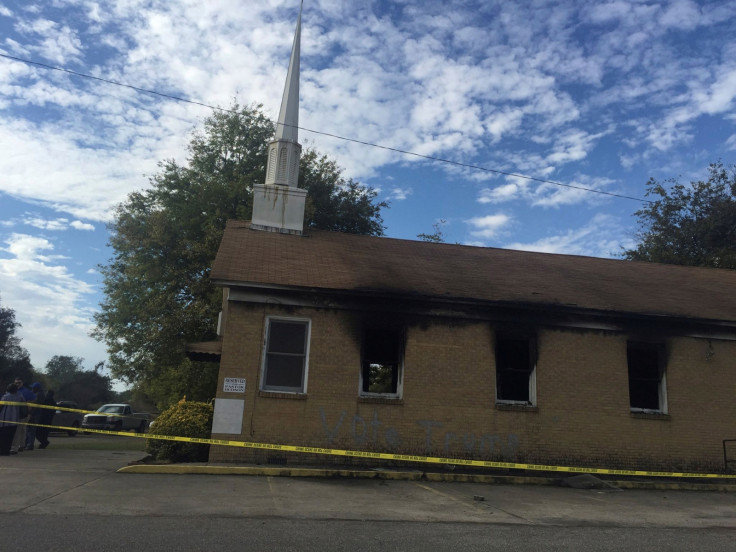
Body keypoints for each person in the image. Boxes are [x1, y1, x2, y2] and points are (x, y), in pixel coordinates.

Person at [10, 377, 34, 454]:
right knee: (22, 430)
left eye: (19, 383)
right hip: (18, 413)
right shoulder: (14, 390)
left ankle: (15, 448)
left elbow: (30, 403)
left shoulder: (26, 391)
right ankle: (22, 445)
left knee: (18, 430)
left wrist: (27, 413)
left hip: (23, 414)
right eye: (16, 383)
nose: (17, 384)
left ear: (22, 383)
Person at [0, 383, 22, 455]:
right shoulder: (19, 397)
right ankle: (6, 451)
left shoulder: (6, 397)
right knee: (10, 437)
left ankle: (2, 451)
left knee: (3, 436)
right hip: (15, 420)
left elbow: (1, 406)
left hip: (4, 420)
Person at [26, 382, 45, 451]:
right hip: (33, 414)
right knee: (28, 430)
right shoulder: (37, 394)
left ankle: (30, 445)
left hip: (35, 414)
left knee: (31, 430)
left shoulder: (39, 395)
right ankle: (27, 444)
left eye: (33, 388)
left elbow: (36, 406)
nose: (32, 389)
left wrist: (31, 414)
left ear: (36, 388)